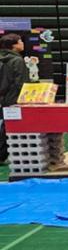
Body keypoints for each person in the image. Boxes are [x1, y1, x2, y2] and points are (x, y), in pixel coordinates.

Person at [0, 33, 29, 162]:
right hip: (15, 98)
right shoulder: (17, 60)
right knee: (13, 126)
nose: (22, 43)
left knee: (6, 125)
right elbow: (21, 83)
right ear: (14, 45)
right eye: (20, 41)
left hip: (4, 97)